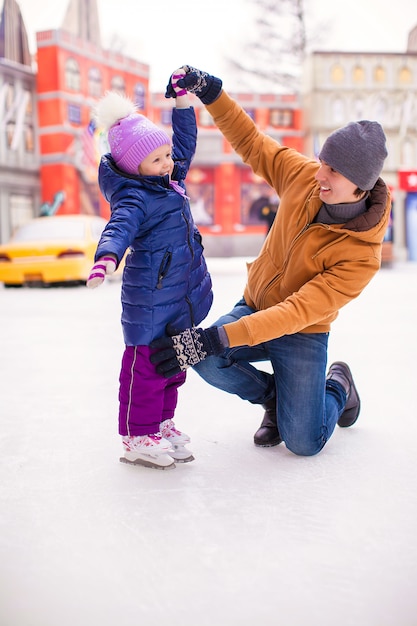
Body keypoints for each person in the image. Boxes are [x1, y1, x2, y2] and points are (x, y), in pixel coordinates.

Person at [150, 65, 390, 457]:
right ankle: (275, 398)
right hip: (256, 306)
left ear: (360, 185)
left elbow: (298, 311)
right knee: (205, 359)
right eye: (323, 161)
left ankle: (337, 386)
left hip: (303, 332)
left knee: (304, 442)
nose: (321, 175)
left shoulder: (361, 255)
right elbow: (252, 141)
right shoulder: (304, 176)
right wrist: (211, 92)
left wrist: (216, 337)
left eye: (334, 171)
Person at [87, 72, 213, 469]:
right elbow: (118, 228)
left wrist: (181, 103)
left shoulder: (169, 181)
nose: (168, 163)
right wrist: (107, 257)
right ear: (134, 165)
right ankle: (138, 435)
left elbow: (185, 146)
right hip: (150, 301)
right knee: (144, 370)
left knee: (174, 364)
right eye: (157, 159)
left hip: (181, 298)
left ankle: (161, 423)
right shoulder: (134, 197)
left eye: (166, 157)